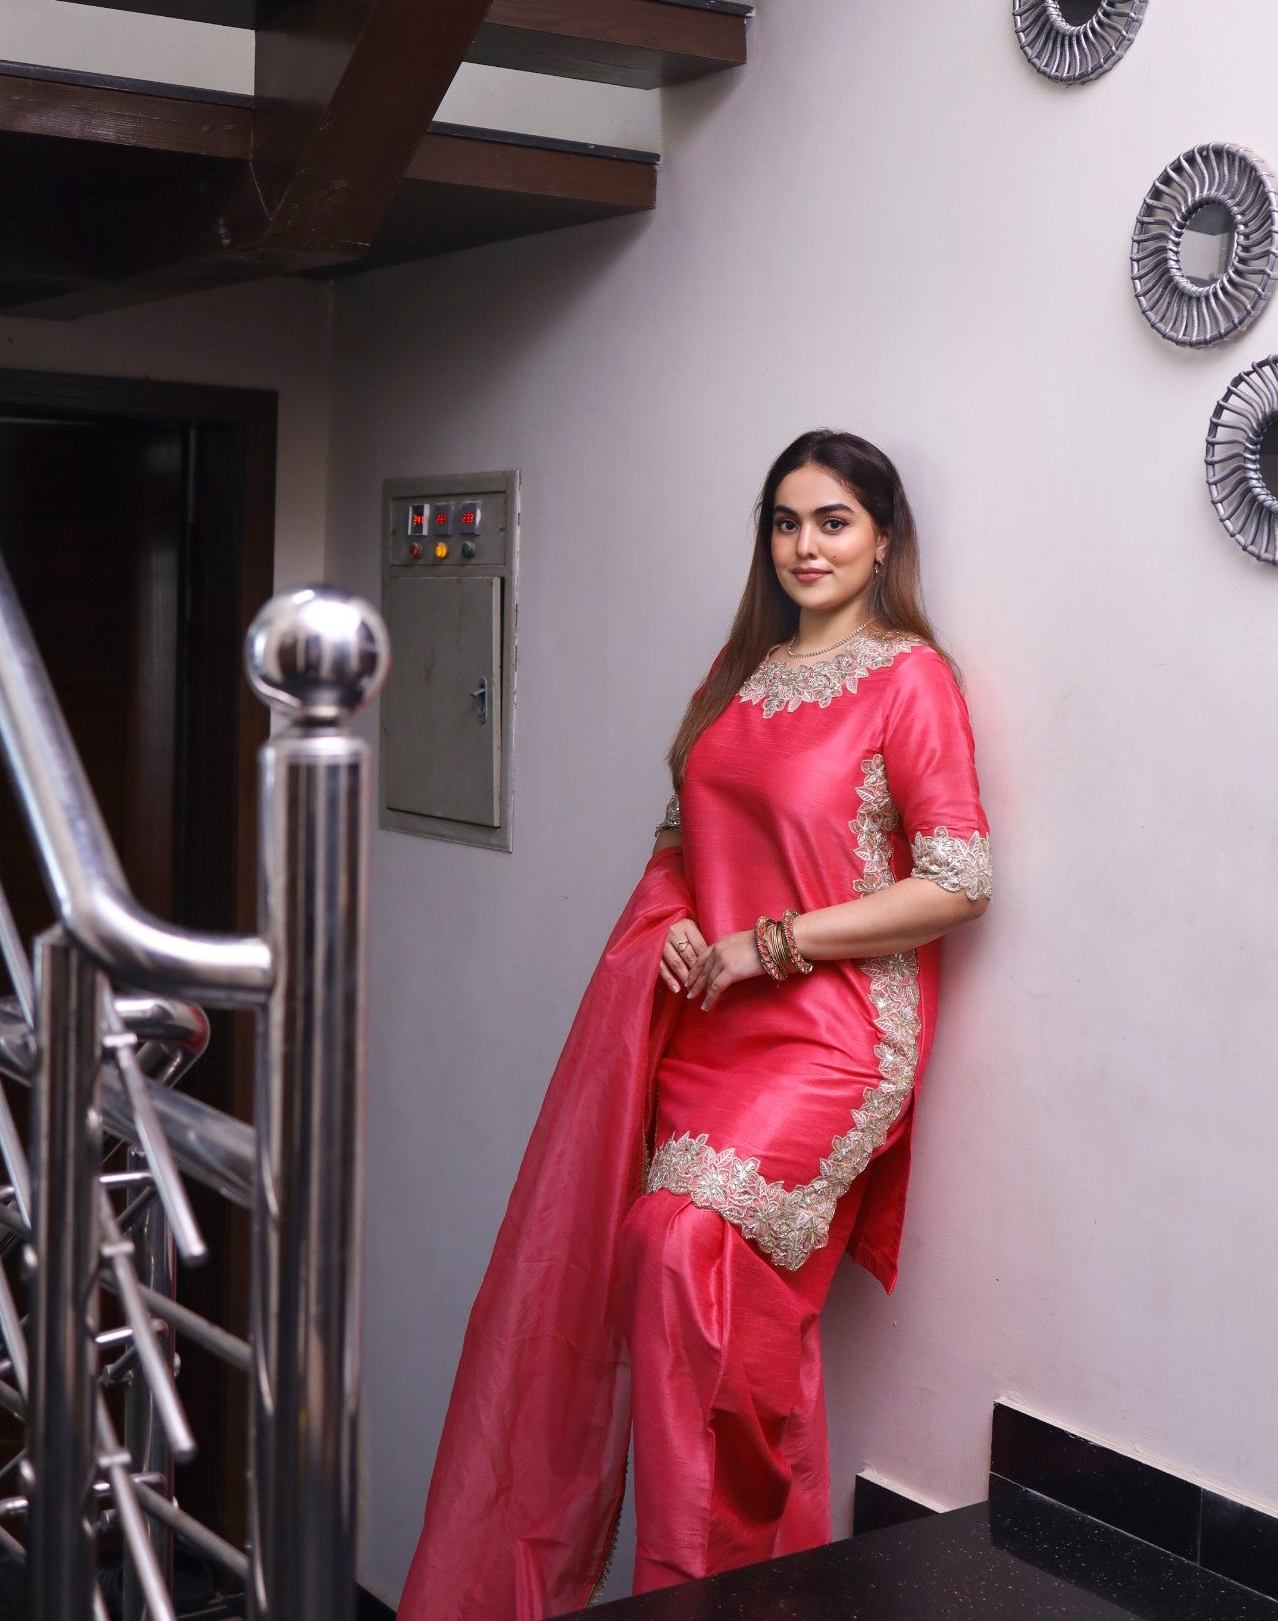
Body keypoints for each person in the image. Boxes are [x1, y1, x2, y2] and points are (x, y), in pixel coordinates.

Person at [397, 430, 993, 1620]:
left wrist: (771, 943)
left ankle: (739, 1583)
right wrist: (672, 920)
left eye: (833, 520)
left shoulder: (910, 679)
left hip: (834, 1038)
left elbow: (959, 880)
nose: (805, 545)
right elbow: (679, 840)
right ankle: (717, 1583)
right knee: (683, 1296)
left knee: (682, 1245)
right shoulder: (739, 672)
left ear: (883, 539)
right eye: (786, 520)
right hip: (709, 1029)